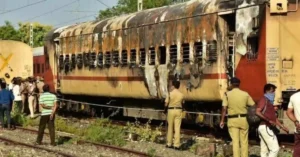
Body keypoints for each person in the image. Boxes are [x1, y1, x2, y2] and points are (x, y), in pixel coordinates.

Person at [220, 77, 255, 157]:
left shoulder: (227, 94)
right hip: (243, 120)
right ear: (239, 84)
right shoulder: (245, 94)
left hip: (233, 121)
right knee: (244, 142)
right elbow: (253, 105)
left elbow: (224, 108)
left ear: (231, 84)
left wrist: (222, 120)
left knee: (235, 142)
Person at [256, 84, 289, 157]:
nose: (273, 93)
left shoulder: (269, 102)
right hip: (266, 127)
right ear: (267, 91)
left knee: (264, 151)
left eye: (274, 91)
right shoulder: (264, 99)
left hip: (264, 127)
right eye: (272, 91)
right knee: (275, 149)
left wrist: (282, 127)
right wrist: (268, 120)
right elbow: (257, 111)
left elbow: (274, 118)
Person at [165, 80, 184, 150]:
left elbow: (166, 103)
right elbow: (183, 103)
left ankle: (169, 143)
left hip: (171, 110)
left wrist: (164, 110)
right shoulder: (181, 94)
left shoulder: (169, 94)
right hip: (179, 110)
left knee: (170, 127)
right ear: (178, 86)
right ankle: (176, 145)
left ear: (173, 86)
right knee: (177, 128)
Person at [286, 89, 300, 157]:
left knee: (297, 149)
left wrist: (296, 121)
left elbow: (288, 112)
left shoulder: (294, 96)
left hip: (298, 128)